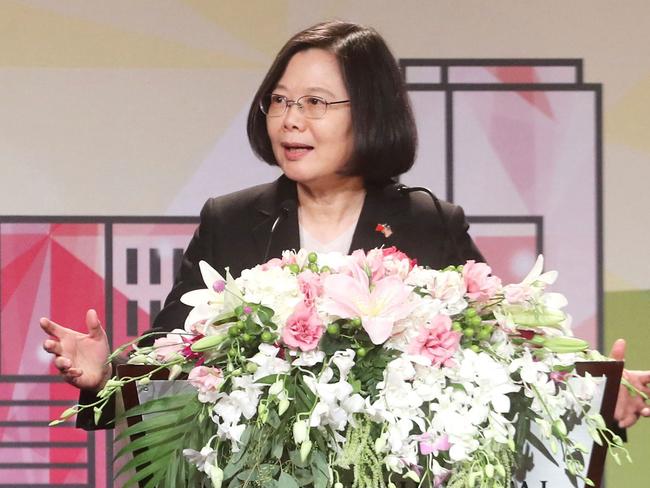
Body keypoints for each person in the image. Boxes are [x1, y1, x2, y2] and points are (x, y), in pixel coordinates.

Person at [40, 21, 650, 431]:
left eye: (315, 102)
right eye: (279, 100)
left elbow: (503, 359)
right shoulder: (231, 222)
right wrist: (104, 377)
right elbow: (171, 360)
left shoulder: (428, 225)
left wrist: (595, 400)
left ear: (371, 114)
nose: (290, 119)